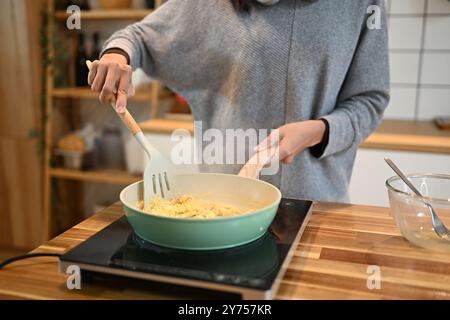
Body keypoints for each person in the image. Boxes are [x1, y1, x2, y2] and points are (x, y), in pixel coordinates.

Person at [88, 0, 390, 202]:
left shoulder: (359, 5)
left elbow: (370, 98)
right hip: (224, 206)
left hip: (317, 206)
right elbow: (139, 37)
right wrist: (118, 55)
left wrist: (319, 131)